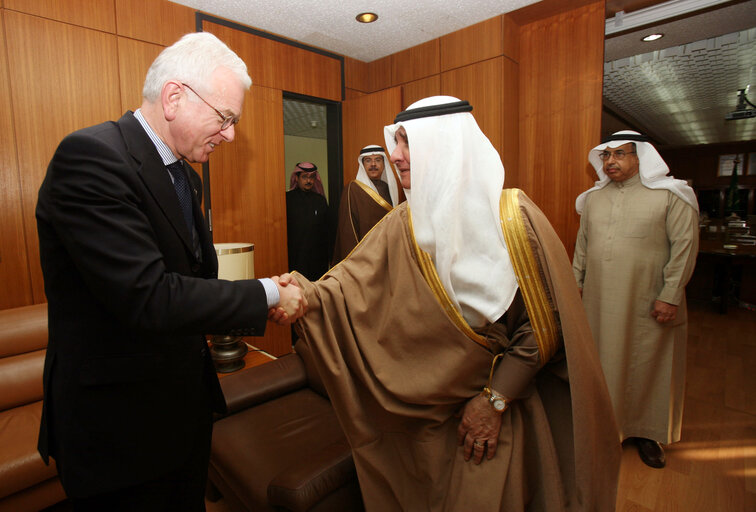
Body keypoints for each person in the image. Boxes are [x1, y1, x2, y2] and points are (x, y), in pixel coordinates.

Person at [285, 96, 620, 511]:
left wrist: (494, 401)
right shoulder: (402, 222)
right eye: (396, 143)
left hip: (495, 411)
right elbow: (344, 285)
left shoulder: (513, 218)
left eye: (408, 143)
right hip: (424, 419)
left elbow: (543, 326)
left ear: (445, 145)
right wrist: (300, 293)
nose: (395, 156)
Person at [35, 32, 306, 511]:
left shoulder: (183, 173)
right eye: (225, 118)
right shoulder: (92, 158)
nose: (230, 135)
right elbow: (149, 298)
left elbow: (192, 286)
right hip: (119, 430)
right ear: (175, 97)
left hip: (179, 414)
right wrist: (266, 293)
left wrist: (261, 300)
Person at [572, 130, 699, 469]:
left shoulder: (672, 195)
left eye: (620, 154)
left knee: (649, 364)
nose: (610, 161)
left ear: (641, 157)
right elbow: (582, 246)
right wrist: (575, 285)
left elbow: (685, 248)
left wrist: (670, 295)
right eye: (606, 155)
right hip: (599, 301)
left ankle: (646, 433)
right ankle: (604, 429)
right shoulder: (594, 198)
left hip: (650, 300)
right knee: (602, 362)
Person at [332, 145, 399, 263]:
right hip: (364, 257)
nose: (373, 164)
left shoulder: (389, 189)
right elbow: (347, 230)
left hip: (388, 253)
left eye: (378, 160)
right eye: (368, 160)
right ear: (362, 165)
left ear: (384, 165)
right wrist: (355, 261)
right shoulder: (352, 189)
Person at [286, 162, 330, 280]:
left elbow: (327, 229)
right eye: (304, 177)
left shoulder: (320, 200)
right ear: (296, 178)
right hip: (295, 255)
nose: (308, 181)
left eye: (311, 177)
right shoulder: (287, 199)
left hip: (317, 256)